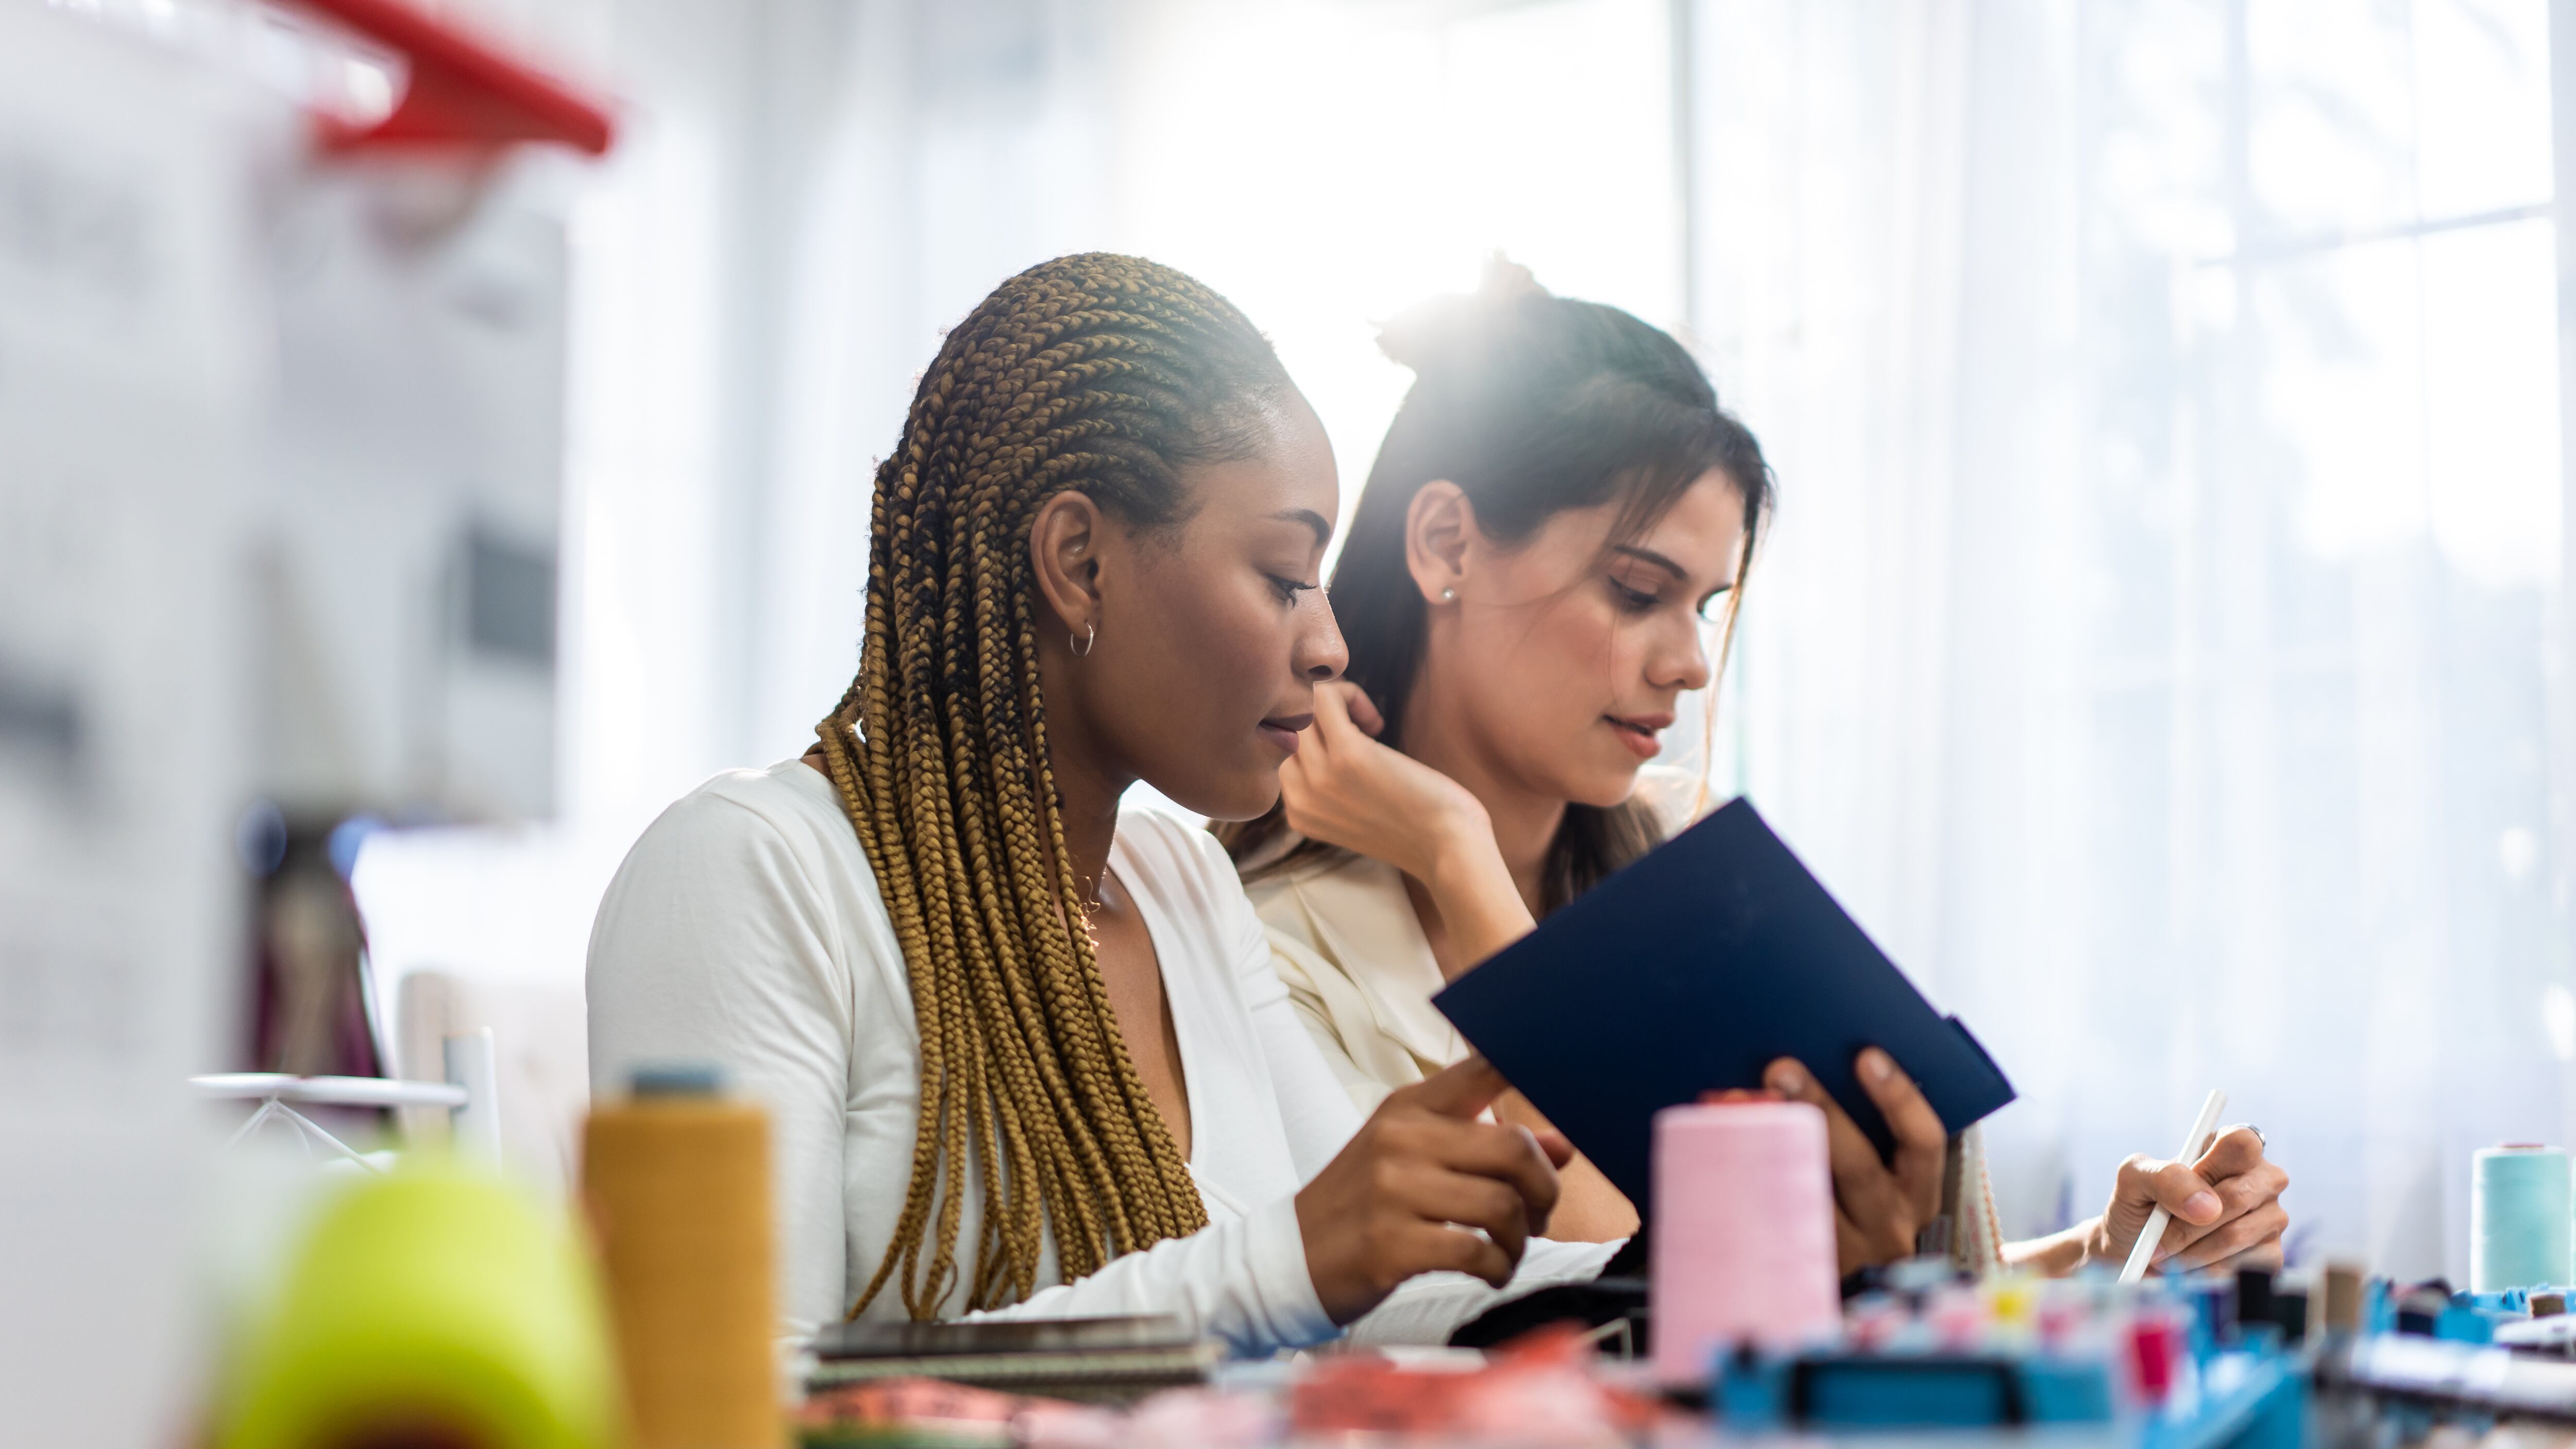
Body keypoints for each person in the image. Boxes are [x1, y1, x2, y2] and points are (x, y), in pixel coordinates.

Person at [586, 254, 1666, 1357]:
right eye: (1283, 576)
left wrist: (1690, 1263)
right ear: (1078, 562)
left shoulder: (1183, 885)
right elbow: (730, 1392)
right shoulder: (753, 872)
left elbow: (1373, 1279)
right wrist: (1288, 1263)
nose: (1330, 643)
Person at [1219, 263, 2291, 1275]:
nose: (1689, 664)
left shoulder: (1689, 861)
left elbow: (1819, 1285)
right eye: (1638, 592)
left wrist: (2101, 1254)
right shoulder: (1268, 949)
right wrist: (1458, 858)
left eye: (1704, 606)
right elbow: (1611, 1286)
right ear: (1447, 544)